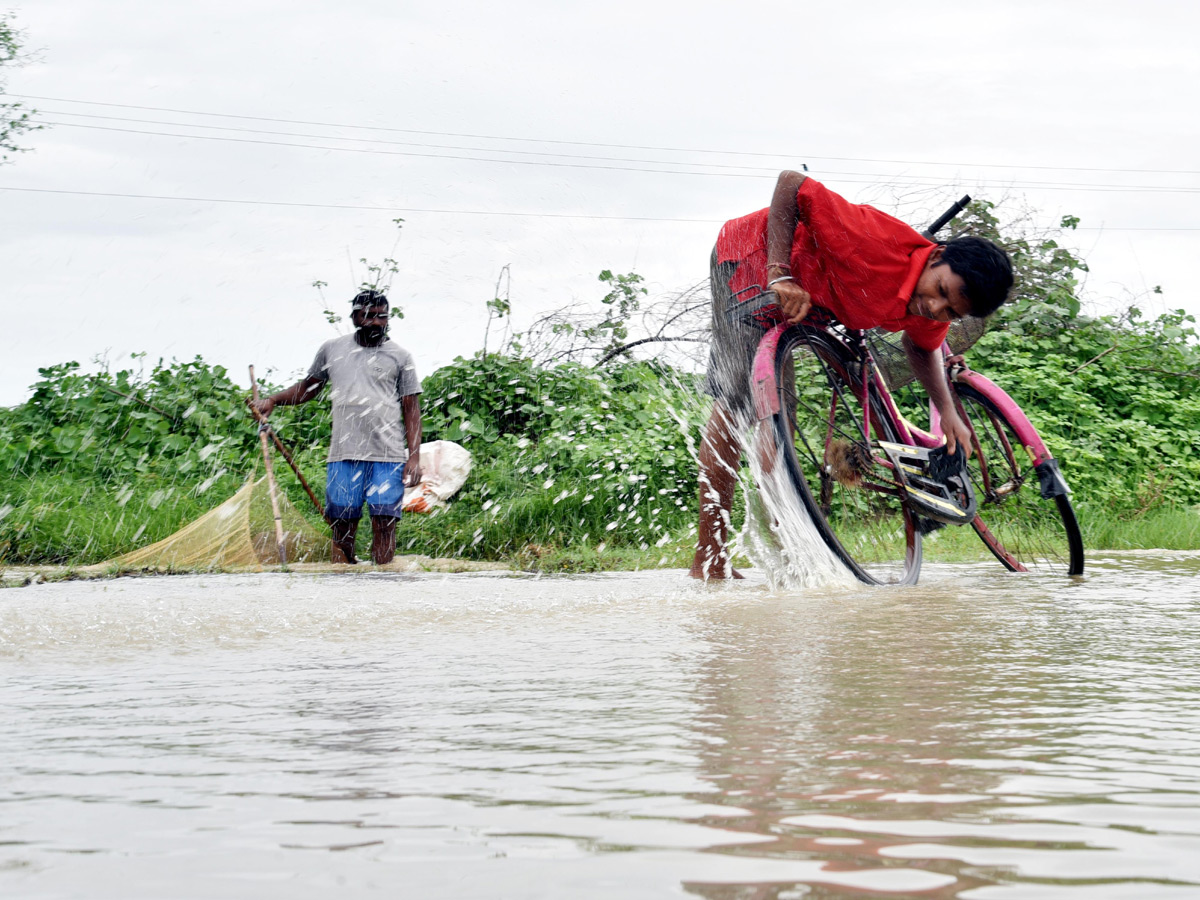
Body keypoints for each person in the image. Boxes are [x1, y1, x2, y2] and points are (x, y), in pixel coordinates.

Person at [692, 170, 1014, 580]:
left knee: (779, 418)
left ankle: (784, 541)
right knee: (738, 403)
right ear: (935, 256)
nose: (936, 309)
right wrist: (780, 272)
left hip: (804, 296)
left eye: (951, 311)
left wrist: (947, 411)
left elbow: (922, 346)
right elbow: (792, 183)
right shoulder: (873, 241)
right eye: (941, 291)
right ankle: (709, 555)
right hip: (750, 260)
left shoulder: (926, 304)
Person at [253, 289, 423, 565]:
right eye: (369, 316)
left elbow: (411, 409)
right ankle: (343, 585)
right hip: (344, 454)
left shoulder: (400, 356)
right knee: (342, 524)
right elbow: (307, 389)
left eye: (382, 317)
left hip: (388, 455)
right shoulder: (333, 349)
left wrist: (413, 457)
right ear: (355, 317)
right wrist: (273, 400)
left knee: (385, 524)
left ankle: (385, 584)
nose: (376, 323)